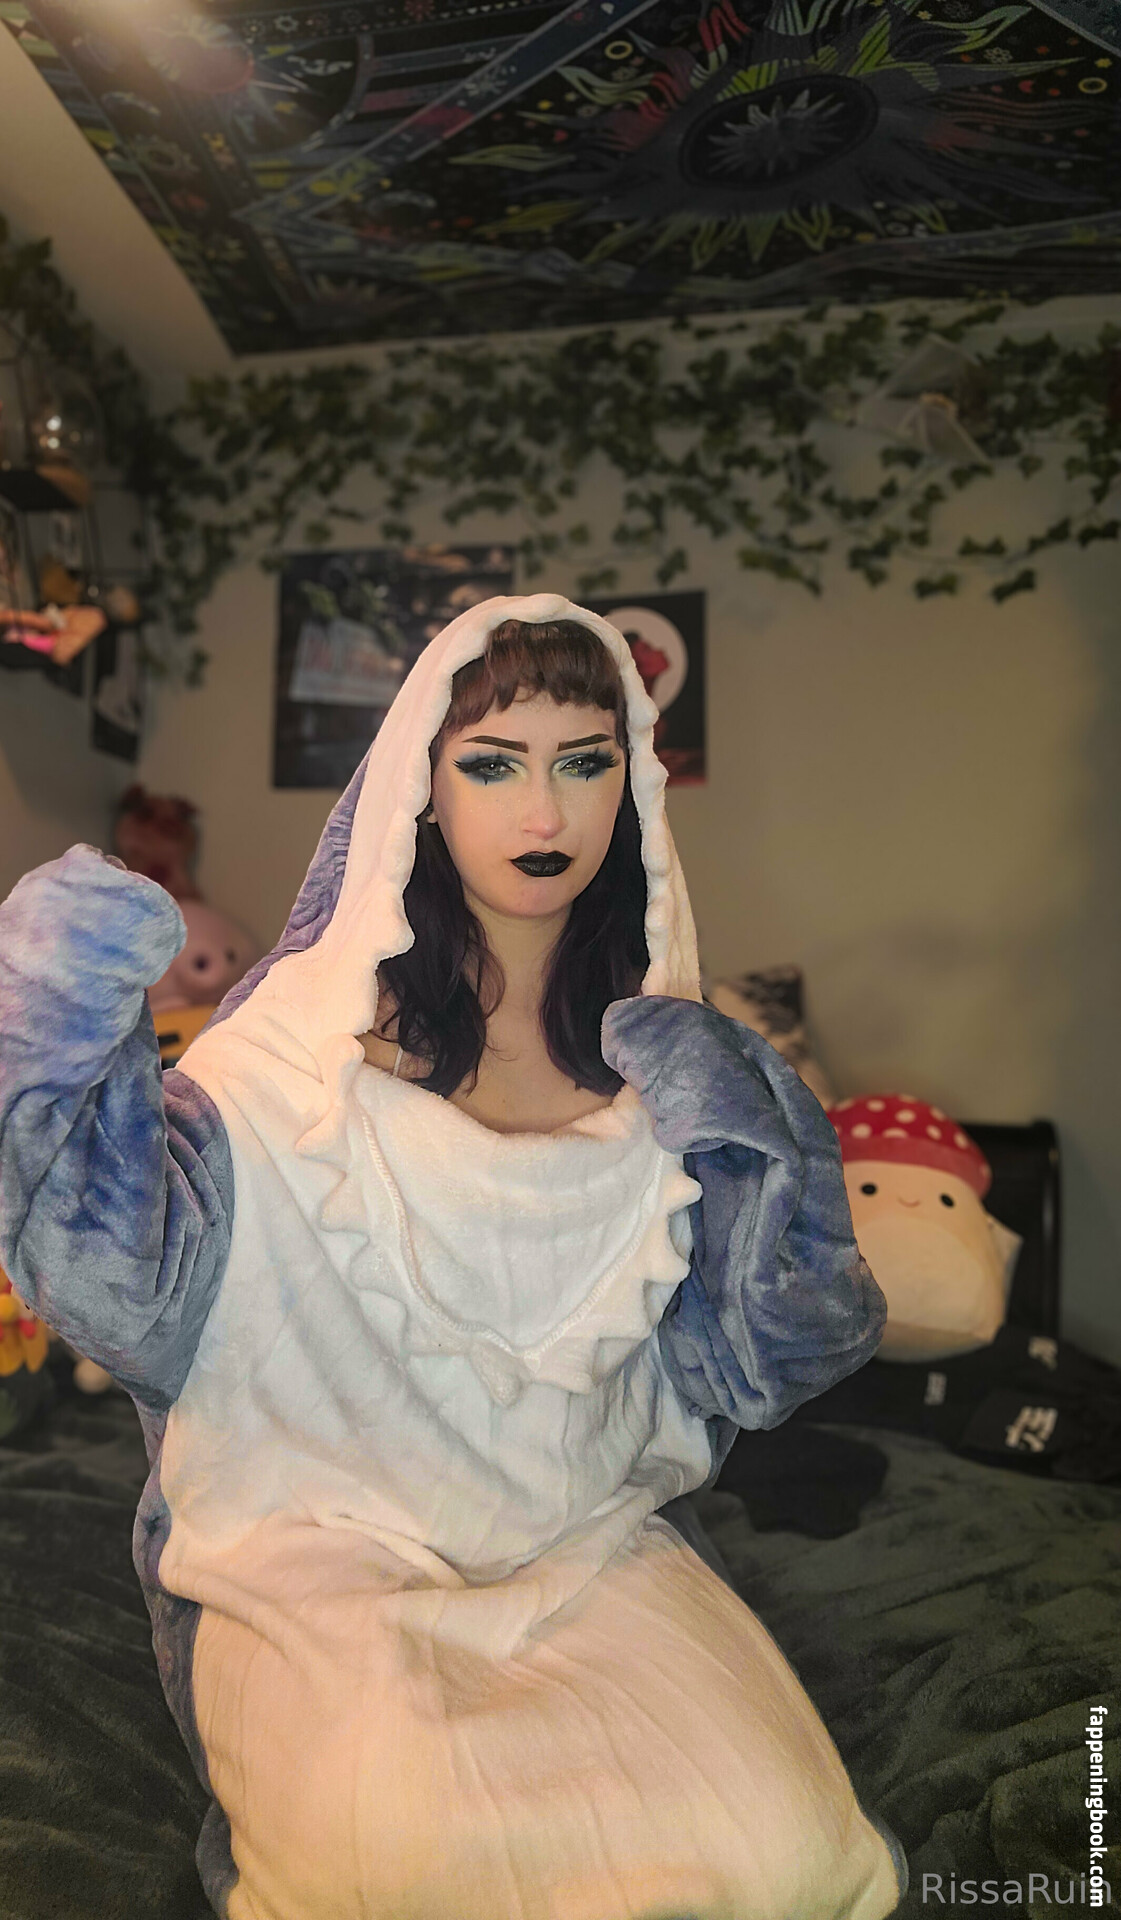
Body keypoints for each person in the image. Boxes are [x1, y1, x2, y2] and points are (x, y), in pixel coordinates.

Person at [0, 594, 906, 1920]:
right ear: (420, 783)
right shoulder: (296, 1054)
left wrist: (770, 1162)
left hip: (583, 1544)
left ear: (632, 787)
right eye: (492, 763)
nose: (544, 811)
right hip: (316, 1553)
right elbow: (118, 1293)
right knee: (394, 1859)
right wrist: (56, 1019)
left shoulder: (675, 1061)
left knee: (781, 1853)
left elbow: (773, 1360)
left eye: (583, 761)